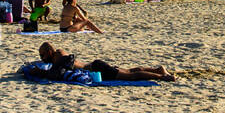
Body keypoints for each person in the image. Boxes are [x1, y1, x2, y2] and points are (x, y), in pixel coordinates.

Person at [37, 42, 175, 82]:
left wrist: (39, 72)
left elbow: (55, 73)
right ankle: (158, 69)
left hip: (97, 69)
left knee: (131, 76)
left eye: (43, 55)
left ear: (49, 52)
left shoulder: (59, 57)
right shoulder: (59, 54)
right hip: (96, 66)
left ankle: (162, 77)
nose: (42, 58)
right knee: (129, 71)